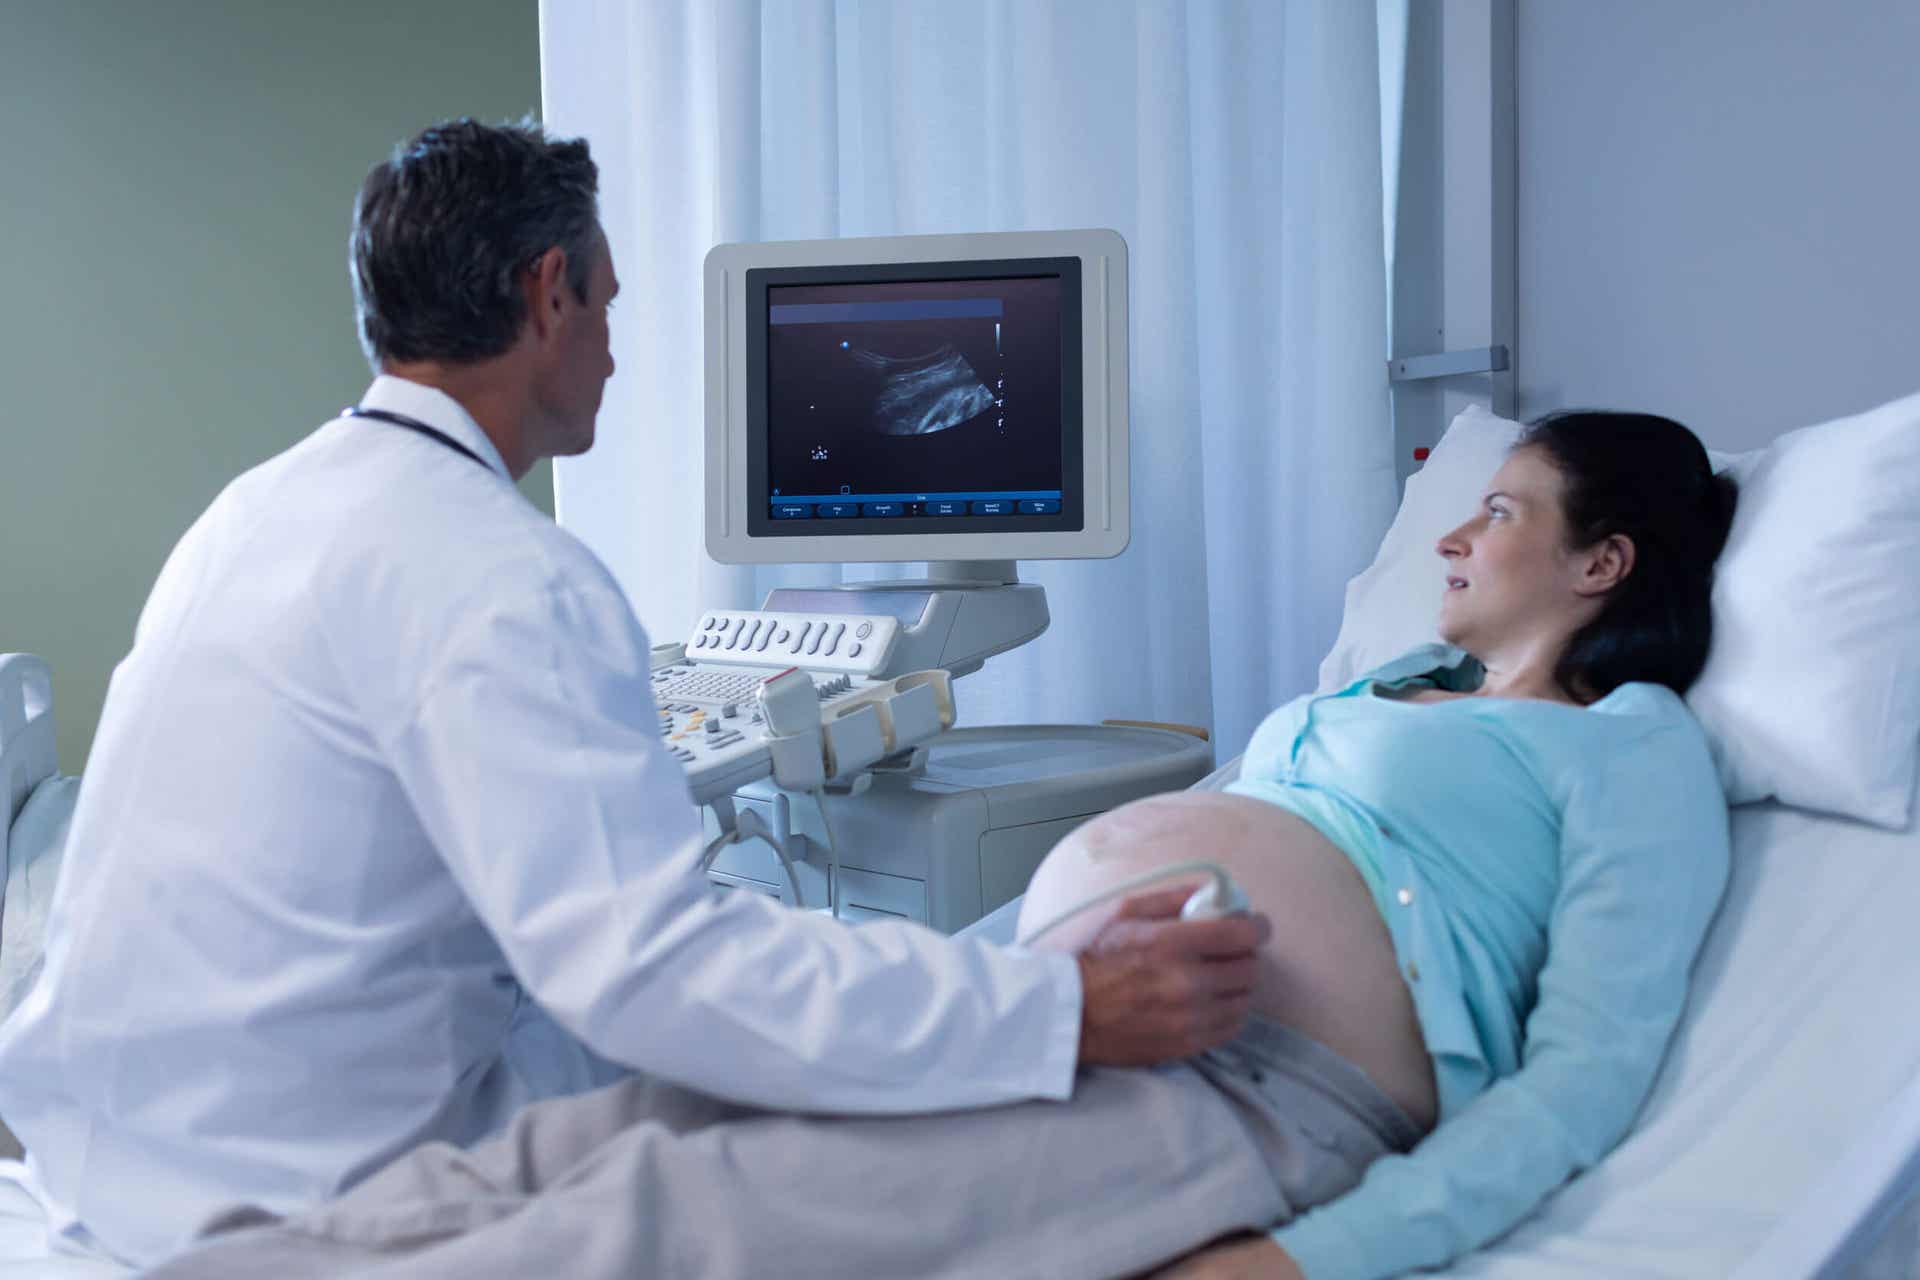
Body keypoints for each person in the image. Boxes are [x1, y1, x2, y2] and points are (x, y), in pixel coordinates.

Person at [0, 119, 1268, 1269]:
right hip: (301, 1203)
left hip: (109, 1164)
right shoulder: (504, 575)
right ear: (548, 291)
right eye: (606, 301)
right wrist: (1063, 1008)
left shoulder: (253, 511)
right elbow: (659, 974)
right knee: (837, 1140)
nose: (613, 347)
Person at [141, 412, 1739, 1280]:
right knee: (604, 1131)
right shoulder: (1384, 690)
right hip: (1057, 1014)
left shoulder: (1630, 752)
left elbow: (1582, 1081)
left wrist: (1315, 1263)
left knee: (690, 1216)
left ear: (1603, 562)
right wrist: (940, 1006)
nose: (1454, 531)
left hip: (1254, 1090)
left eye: (1501, 511)